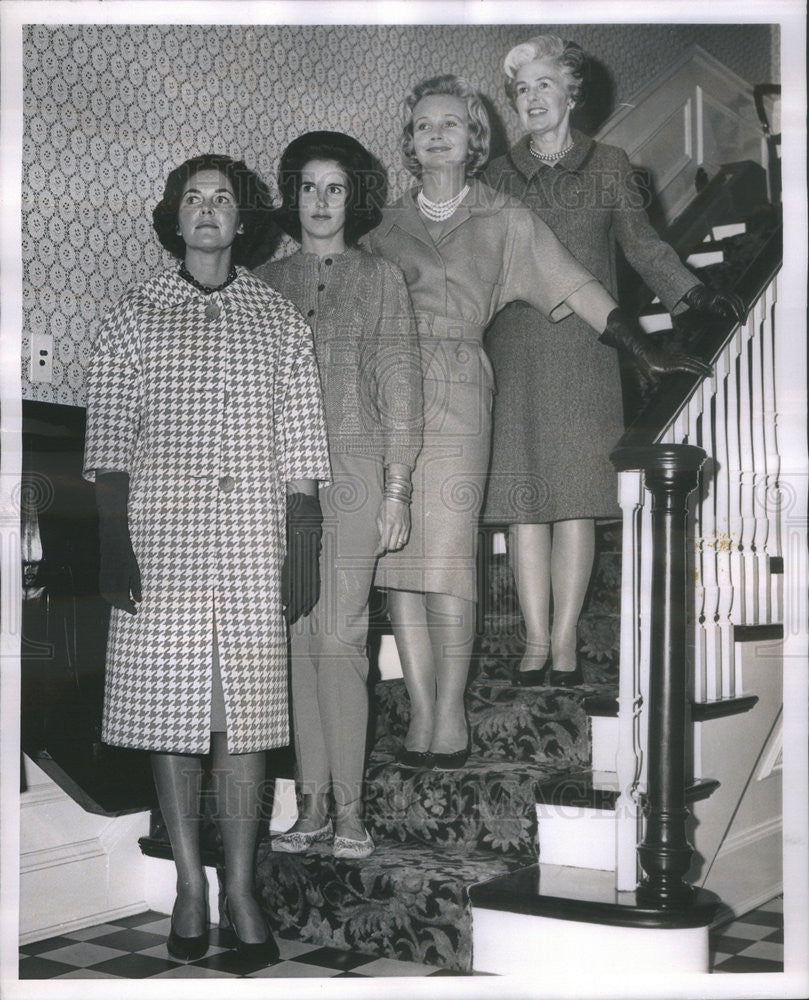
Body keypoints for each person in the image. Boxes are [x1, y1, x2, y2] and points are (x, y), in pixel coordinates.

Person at [363, 74, 711, 768]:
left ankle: (452, 711)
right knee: (397, 566)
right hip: (386, 393)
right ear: (409, 141)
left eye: (451, 124)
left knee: (449, 558)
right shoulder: (384, 228)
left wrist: (640, 348)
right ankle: (423, 709)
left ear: (474, 141)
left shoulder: (506, 218)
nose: (436, 133)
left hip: (461, 388)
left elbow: (574, 283)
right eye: (423, 124)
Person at [83, 154, 330, 963]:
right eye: (193, 198)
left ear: (241, 218)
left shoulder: (278, 319)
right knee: (171, 712)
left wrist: (303, 535)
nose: (208, 210)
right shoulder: (132, 315)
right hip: (161, 544)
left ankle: (241, 885)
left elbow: (300, 440)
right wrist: (111, 537)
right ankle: (190, 884)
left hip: (255, 542)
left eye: (222, 198)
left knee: (246, 718)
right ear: (174, 216)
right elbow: (111, 438)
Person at [482, 36, 746, 687]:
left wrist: (692, 292)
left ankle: (566, 637)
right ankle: (533, 639)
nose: (533, 99)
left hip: (588, 347)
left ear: (571, 93)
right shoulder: (492, 176)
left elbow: (643, 245)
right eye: (521, 89)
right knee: (522, 503)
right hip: (512, 349)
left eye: (545, 84)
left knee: (574, 502)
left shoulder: (609, 164)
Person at [255, 132, 423, 858]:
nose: (320, 202)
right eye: (307, 187)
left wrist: (398, 488)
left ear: (352, 197)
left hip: (355, 472)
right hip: (276, 483)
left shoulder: (381, 277)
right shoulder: (261, 282)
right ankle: (312, 806)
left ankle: (351, 810)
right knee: (295, 643)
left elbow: (401, 385)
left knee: (338, 638)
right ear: (291, 197)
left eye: (334, 188)